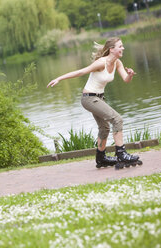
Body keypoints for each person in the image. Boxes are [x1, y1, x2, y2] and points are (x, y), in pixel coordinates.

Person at [47, 37, 142, 169]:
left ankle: (101, 158)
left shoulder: (117, 63)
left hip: (99, 98)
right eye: (120, 46)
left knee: (105, 128)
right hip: (89, 98)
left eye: (122, 46)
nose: (123, 48)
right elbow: (81, 71)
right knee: (117, 119)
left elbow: (126, 80)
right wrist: (59, 78)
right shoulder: (101, 63)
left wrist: (130, 75)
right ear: (112, 49)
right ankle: (121, 154)